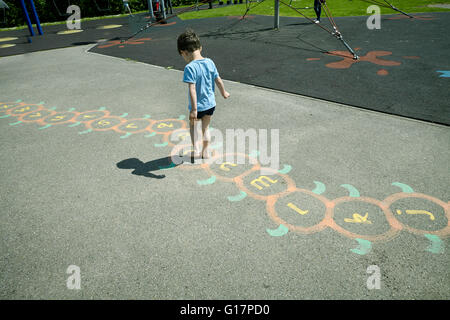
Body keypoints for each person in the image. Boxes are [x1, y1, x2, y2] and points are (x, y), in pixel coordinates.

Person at [177, 29, 230, 160]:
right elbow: (218, 79)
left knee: (194, 128)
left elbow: (192, 89)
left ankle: (196, 150)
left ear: (184, 52)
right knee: (205, 129)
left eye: (182, 55)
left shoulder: (190, 67)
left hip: (198, 107)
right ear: (200, 47)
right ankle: (205, 152)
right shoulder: (210, 62)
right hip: (210, 105)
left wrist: (194, 110)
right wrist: (224, 92)